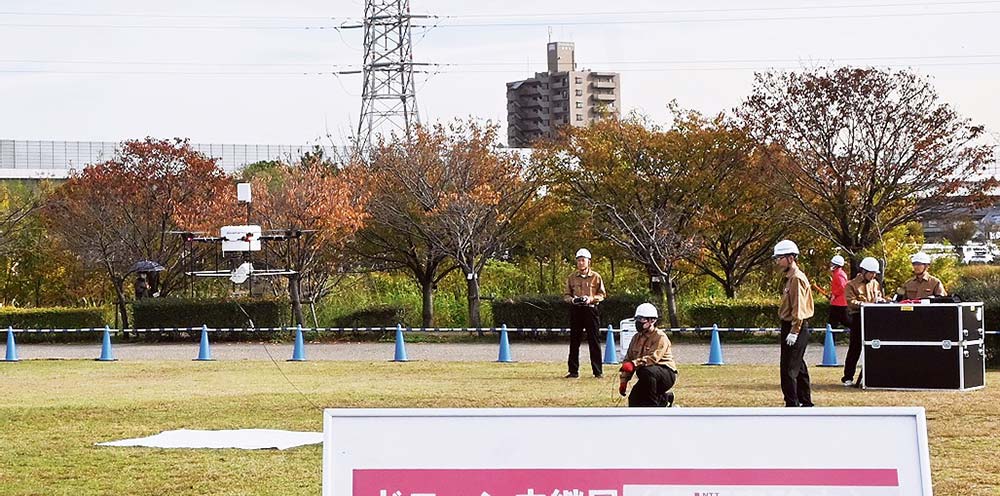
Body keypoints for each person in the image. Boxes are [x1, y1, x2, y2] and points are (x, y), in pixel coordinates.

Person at [773, 239, 815, 407]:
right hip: (792, 326)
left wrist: (795, 330)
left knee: (789, 369)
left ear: (790, 258)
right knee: (799, 366)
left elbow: (799, 307)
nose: (777, 261)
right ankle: (805, 401)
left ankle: (792, 403)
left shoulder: (796, 278)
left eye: (780, 257)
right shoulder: (790, 278)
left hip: (794, 326)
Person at [618, 303, 678, 407]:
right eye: (637, 319)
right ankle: (665, 398)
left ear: (652, 320)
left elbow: (653, 358)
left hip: (665, 374)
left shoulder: (660, 337)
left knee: (645, 371)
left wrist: (634, 364)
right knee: (634, 398)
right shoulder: (635, 338)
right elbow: (628, 359)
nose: (638, 322)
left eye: (641, 319)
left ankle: (652, 407)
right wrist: (624, 380)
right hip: (648, 375)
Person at [563, 248, 606, 378]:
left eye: (583, 260)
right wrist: (573, 300)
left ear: (589, 262)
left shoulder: (596, 277)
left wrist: (591, 299)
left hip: (591, 310)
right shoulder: (571, 277)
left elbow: (602, 294)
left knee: (594, 340)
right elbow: (566, 295)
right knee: (574, 341)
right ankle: (573, 371)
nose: (581, 263)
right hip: (576, 310)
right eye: (579, 260)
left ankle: (597, 371)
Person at [843, 256, 885, 387]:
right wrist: (865, 304)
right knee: (855, 348)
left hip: (873, 318)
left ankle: (871, 374)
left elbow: (878, 296)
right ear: (863, 271)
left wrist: (881, 300)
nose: (873, 276)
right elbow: (850, 302)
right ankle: (848, 376)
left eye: (874, 273)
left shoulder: (875, 283)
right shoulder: (851, 285)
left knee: (874, 345)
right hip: (858, 317)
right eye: (871, 273)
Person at [812, 255, 850, 330]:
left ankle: (830, 340)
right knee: (842, 322)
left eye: (832, 264)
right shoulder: (839, 273)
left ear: (836, 266)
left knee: (833, 324)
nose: (830, 265)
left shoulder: (838, 274)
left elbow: (843, 287)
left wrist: (834, 295)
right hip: (840, 303)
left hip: (838, 303)